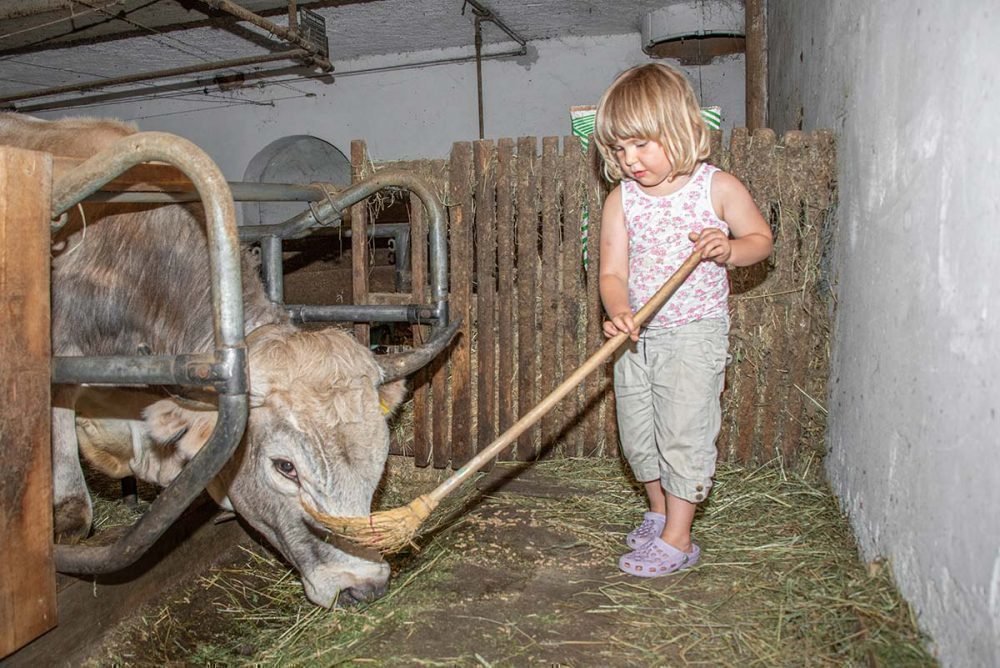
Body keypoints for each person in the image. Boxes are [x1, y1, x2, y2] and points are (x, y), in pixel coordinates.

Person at [593, 63, 773, 577]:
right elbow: (611, 273)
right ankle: (658, 511)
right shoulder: (620, 200)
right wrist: (619, 311)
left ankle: (679, 537)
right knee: (639, 434)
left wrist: (730, 249)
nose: (630, 160)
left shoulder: (717, 188)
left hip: (694, 333)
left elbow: (761, 241)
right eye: (619, 149)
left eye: (641, 145)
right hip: (636, 337)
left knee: (683, 432)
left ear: (679, 128)